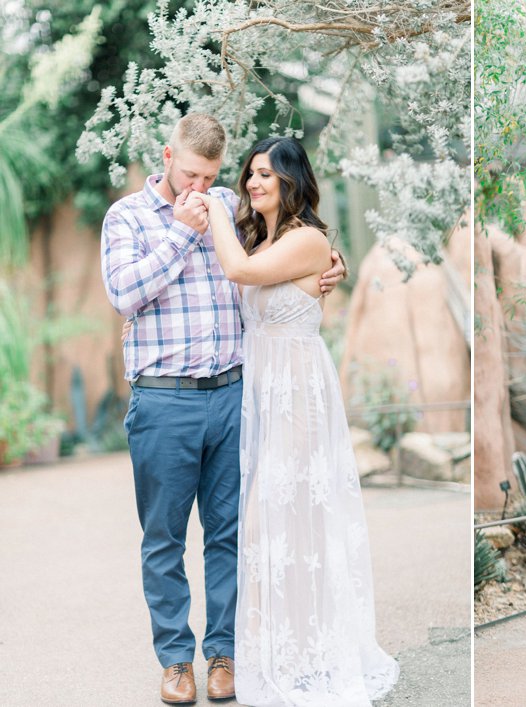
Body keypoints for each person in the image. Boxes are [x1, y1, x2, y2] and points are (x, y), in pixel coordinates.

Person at [101, 114, 345, 704]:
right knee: (163, 537)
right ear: (166, 156)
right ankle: (175, 662)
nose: (198, 187)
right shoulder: (127, 217)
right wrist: (184, 233)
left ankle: (223, 656)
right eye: (189, 173)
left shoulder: (226, 207)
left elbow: (277, 256)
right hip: (163, 399)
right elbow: (124, 294)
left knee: (229, 535)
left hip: (235, 394)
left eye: (210, 176)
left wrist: (329, 267)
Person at [189, 136, 399, 705]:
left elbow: (236, 270)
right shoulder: (263, 234)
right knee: (273, 527)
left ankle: (306, 655)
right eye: (249, 174)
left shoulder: (307, 240)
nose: (253, 183)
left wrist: (210, 208)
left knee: (280, 523)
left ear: (290, 180)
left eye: (265, 174)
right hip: (261, 389)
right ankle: (286, 650)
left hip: (298, 395)